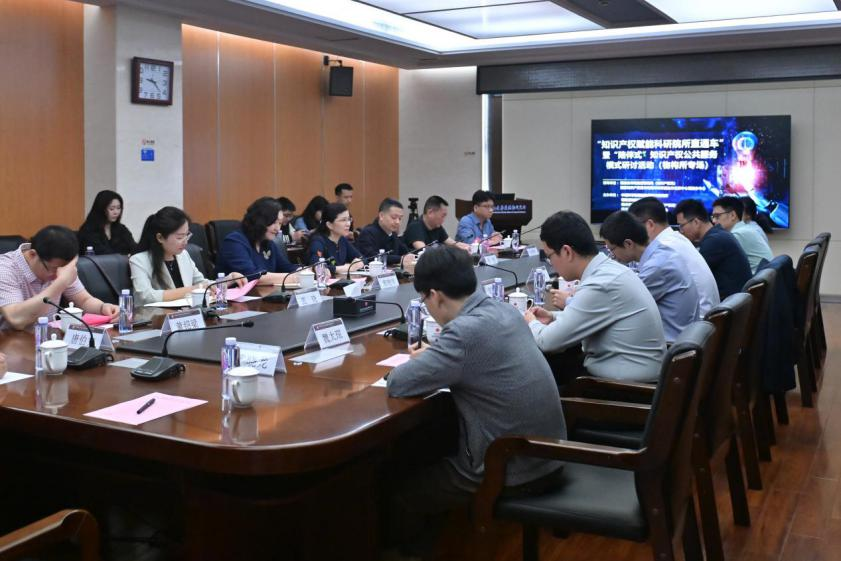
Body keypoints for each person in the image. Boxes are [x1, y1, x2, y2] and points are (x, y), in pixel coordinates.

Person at [386, 245, 565, 558]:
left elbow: (399, 383)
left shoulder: (464, 332)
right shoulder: (504, 311)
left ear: (435, 296)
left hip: (509, 467)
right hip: (548, 453)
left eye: (424, 300)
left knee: (399, 490)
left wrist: (428, 359)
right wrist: (438, 355)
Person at [524, 211, 665, 382]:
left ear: (567, 251)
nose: (551, 264)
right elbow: (587, 314)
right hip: (634, 374)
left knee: (539, 375)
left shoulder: (601, 284)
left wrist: (530, 322)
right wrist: (553, 316)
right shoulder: (609, 271)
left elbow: (547, 342)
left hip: (624, 388)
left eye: (549, 257)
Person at [600, 211, 699, 342]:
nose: (612, 256)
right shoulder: (661, 252)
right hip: (679, 337)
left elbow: (619, 306)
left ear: (628, 244)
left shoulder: (657, 267)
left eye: (612, 249)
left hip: (670, 346)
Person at [0, 226, 120, 331]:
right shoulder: (5, 269)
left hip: (47, 340)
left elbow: (84, 300)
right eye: (53, 268)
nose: (57, 275)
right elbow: (16, 319)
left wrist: (103, 308)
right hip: (10, 343)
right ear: (33, 255)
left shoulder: (59, 266)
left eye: (63, 269)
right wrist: (61, 282)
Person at [131, 207, 246, 306]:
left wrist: (229, 279)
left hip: (187, 313)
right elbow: (147, 296)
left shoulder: (183, 255)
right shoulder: (139, 260)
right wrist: (194, 289)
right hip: (157, 319)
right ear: (160, 238)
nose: (185, 241)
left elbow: (203, 283)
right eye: (180, 237)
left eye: (187, 235)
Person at [628, 196, 720, 317]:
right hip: (703, 318)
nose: (632, 234)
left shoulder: (665, 247)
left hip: (697, 320)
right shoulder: (675, 239)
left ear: (649, 225)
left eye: (633, 228)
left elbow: (635, 298)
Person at [674, 199, 752, 300]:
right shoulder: (718, 235)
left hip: (729, 305)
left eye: (681, 225)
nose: (681, 231)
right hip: (736, 302)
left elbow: (688, 277)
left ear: (696, 222)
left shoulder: (714, 241)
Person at [216, 197, 299, 286]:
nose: (277, 229)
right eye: (274, 222)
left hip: (263, 293)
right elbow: (252, 276)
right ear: (260, 220)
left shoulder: (267, 242)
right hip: (232, 294)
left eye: (280, 223)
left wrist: (304, 271)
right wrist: (294, 278)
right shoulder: (234, 242)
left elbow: (286, 267)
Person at [711, 196, 774, 273]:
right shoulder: (746, 229)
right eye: (713, 217)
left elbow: (711, 258)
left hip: (756, 279)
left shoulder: (738, 234)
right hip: (763, 277)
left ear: (732, 215)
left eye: (717, 216)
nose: (713, 221)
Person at [356, 198, 416, 272]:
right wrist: (400, 259)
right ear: (381, 216)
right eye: (394, 217)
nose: (397, 222)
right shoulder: (367, 233)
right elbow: (372, 257)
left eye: (400, 218)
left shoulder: (392, 234)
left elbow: (405, 251)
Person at [306, 203, 363, 275]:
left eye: (349, 219)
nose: (348, 224)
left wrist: (359, 263)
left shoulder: (342, 239)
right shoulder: (318, 241)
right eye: (343, 220)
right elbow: (317, 266)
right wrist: (344, 268)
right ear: (329, 225)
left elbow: (362, 258)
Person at [77, 189, 137, 255]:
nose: (116, 212)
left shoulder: (121, 229)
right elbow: (101, 253)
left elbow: (133, 247)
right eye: (112, 209)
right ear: (101, 209)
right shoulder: (88, 230)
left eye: (118, 208)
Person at [403, 196, 470, 251]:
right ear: (430, 213)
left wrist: (466, 247)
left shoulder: (436, 226)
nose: (444, 220)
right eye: (443, 216)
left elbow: (452, 243)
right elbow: (424, 251)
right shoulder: (415, 227)